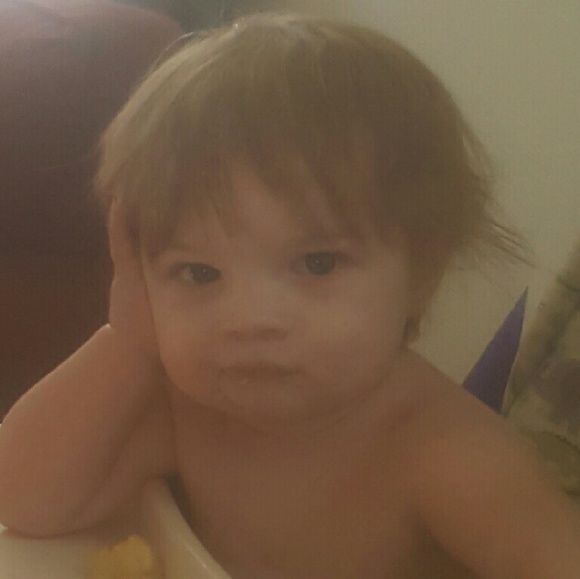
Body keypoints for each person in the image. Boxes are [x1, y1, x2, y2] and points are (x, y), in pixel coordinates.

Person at [0, 12, 579, 578]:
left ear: (422, 273)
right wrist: (129, 339)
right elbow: (25, 501)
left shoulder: (449, 456)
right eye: (198, 273)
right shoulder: (187, 410)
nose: (249, 319)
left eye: (316, 264)